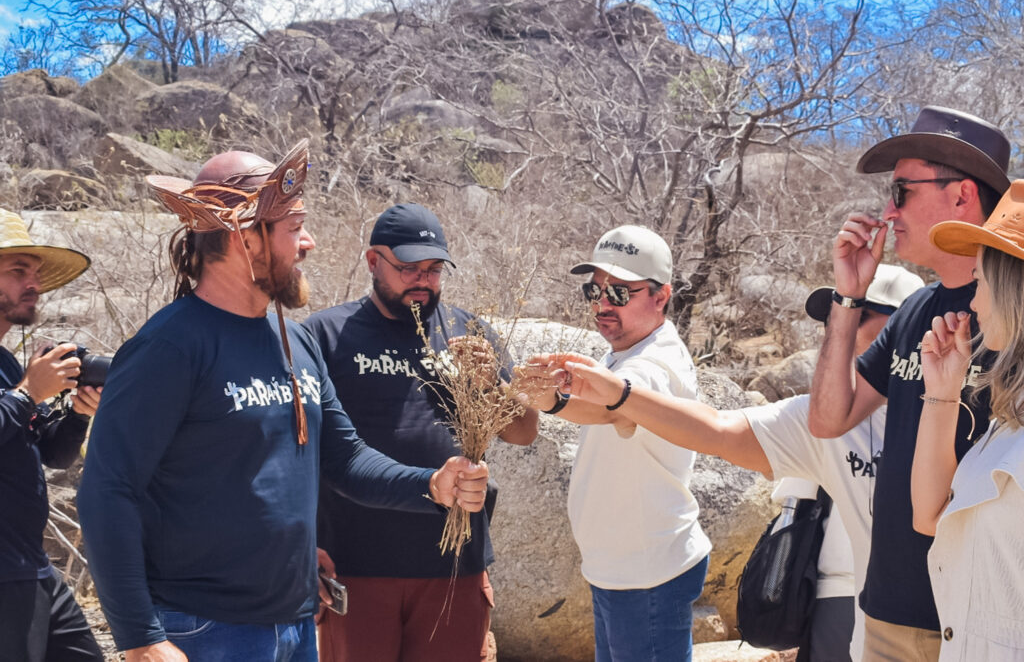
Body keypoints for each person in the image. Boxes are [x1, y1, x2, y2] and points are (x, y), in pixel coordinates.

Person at [76, 141, 490, 662]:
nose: (309, 242)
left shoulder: (293, 341)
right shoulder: (170, 346)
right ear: (245, 239)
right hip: (205, 629)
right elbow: (106, 490)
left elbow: (345, 458)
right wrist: (140, 637)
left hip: (295, 624)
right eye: (294, 228)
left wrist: (431, 483)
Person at [530, 263, 924, 661]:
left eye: (858, 314)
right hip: (842, 597)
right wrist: (616, 394)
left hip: (939, 606)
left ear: (911, 325)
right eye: (832, 317)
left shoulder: (959, 410)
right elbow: (717, 430)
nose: (836, 330)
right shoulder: (818, 420)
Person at [806, 105, 1009, 660]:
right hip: (887, 610)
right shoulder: (915, 310)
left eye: (900, 191)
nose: (887, 212)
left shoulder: (1011, 321)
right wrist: (848, 297)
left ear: (962, 196)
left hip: (978, 618)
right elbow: (828, 418)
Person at [303, 202, 538, 662]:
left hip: (455, 566)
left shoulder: (467, 330)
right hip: (356, 564)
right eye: (408, 268)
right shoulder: (325, 335)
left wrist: (493, 382)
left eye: (434, 270)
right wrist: (302, 545)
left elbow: (524, 432)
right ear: (374, 262)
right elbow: (303, 448)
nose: (423, 280)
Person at [521, 224, 710, 661]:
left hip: (646, 575)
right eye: (595, 292)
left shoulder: (656, 364)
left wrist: (552, 401)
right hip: (624, 571)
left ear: (661, 297)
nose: (603, 305)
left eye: (620, 293)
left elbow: (619, 407)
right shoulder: (628, 349)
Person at [911, 181, 1024, 660]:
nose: (974, 303)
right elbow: (930, 517)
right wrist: (941, 391)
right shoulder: (1010, 416)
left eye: (979, 280)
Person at [0, 208, 103, 662]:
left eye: (36, 273)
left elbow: (53, 457)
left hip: (31, 568)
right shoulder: (17, 379)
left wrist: (79, 414)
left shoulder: (5, 363)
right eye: (18, 270)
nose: (34, 284)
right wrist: (28, 394)